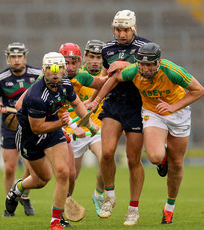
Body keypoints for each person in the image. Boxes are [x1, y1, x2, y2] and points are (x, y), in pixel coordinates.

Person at [88, 42, 204, 225]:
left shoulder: (172, 70)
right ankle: (162, 159)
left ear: (158, 62)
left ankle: (169, 209)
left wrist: (172, 107)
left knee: (177, 164)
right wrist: (97, 100)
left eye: (150, 65)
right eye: (142, 64)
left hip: (179, 113)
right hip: (153, 113)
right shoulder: (134, 71)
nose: (146, 69)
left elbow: (198, 90)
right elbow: (115, 78)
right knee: (155, 156)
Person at [5, 52, 99, 230]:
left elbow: (78, 104)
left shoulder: (65, 84)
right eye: (50, 69)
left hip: (53, 133)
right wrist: (63, 123)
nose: (55, 73)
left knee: (63, 173)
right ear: (43, 70)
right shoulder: (35, 96)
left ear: (64, 69)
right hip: (30, 137)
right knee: (42, 179)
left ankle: (56, 220)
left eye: (59, 69)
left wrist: (90, 123)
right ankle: (17, 188)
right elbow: (37, 128)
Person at [86, 9, 150, 225]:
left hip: (136, 105)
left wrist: (126, 65)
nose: (121, 34)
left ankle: (133, 209)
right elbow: (106, 78)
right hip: (113, 104)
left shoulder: (145, 47)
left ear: (134, 29)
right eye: (117, 29)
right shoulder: (107, 48)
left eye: (125, 29)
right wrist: (93, 100)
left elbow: (149, 72)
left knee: (133, 159)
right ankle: (110, 197)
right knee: (107, 153)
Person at [0, 42, 41, 217]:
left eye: (20, 56)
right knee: (10, 168)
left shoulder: (37, 75)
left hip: (29, 126)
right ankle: (9, 204)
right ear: (8, 58)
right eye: (13, 57)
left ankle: (24, 196)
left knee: (30, 166)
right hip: (9, 127)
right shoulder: (1, 78)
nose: (16, 60)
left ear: (25, 57)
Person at [63, 40, 105, 216]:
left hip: (97, 129)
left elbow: (107, 84)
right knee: (72, 176)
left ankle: (98, 193)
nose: (95, 61)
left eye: (99, 57)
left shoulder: (106, 76)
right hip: (76, 131)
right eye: (92, 56)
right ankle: (66, 201)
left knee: (106, 159)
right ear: (85, 58)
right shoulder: (75, 75)